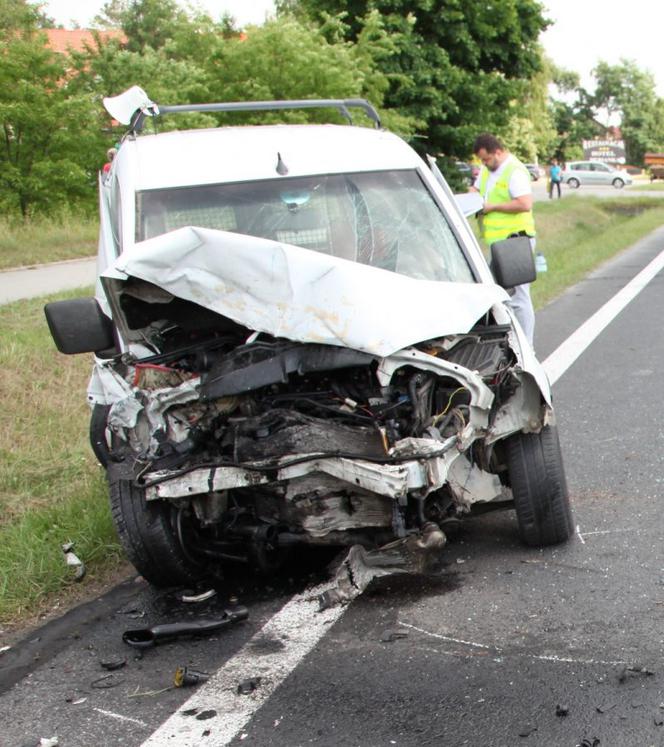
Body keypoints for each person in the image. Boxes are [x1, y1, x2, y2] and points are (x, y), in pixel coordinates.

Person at [470, 133, 536, 344]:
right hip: (499, 244)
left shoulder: (514, 170)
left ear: (497, 152)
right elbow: (476, 189)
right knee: (496, 294)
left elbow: (525, 203)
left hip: (515, 241)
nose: (484, 163)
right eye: (481, 160)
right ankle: (508, 341)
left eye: (486, 159)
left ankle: (527, 346)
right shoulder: (488, 170)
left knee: (519, 297)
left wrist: (492, 207)